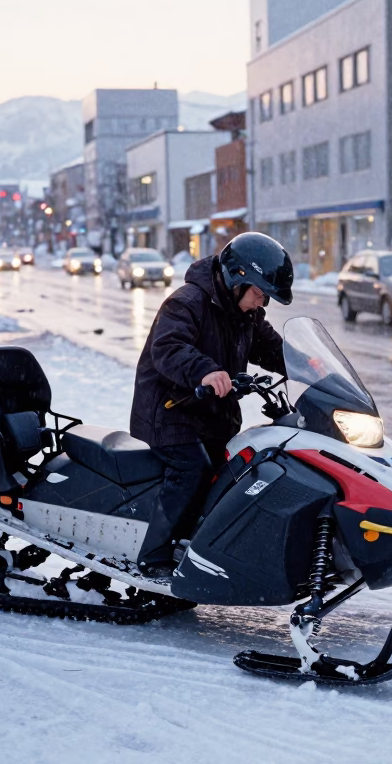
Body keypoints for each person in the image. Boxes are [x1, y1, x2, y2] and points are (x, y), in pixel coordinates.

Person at [130, 233, 293, 573]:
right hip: (171, 410)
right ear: (237, 279)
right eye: (259, 294)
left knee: (236, 470)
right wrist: (205, 372)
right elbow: (169, 347)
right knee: (192, 470)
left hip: (211, 413)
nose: (261, 303)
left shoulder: (244, 313)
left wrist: (305, 363)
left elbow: (269, 348)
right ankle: (154, 556)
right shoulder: (188, 301)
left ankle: (200, 545)